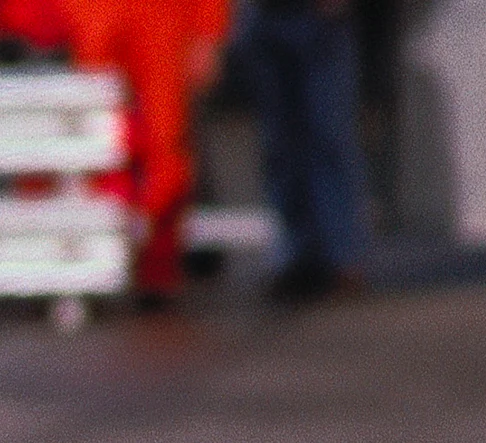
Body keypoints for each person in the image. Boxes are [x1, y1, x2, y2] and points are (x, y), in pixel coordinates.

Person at [60, 0, 235, 306]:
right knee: (94, 140)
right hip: (94, 15)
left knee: (166, 144)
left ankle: (156, 269)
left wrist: (208, 32)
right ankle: (95, 259)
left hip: (163, 17)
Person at [241, 0, 367, 298]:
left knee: (327, 139)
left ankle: (341, 258)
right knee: (281, 145)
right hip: (264, 15)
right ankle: (295, 257)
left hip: (318, 17)